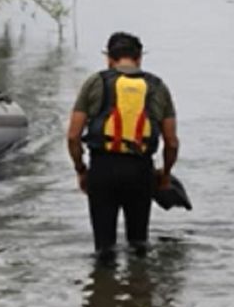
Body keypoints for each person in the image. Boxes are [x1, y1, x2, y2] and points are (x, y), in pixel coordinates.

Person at [67, 32, 179, 256]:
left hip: (102, 169)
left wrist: (81, 170)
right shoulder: (157, 87)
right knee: (139, 245)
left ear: (109, 58)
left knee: (104, 249)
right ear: (139, 59)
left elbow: (73, 136)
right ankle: (139, 286)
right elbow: (172, 142)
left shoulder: (95, 82)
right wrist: (165, 174)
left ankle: (102, 287)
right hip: (140, 171)